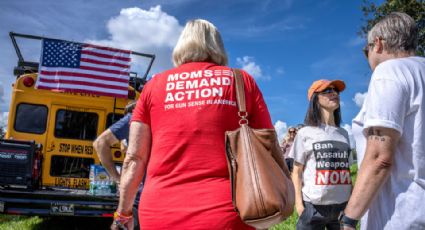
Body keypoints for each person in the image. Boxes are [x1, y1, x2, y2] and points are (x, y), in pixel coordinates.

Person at [112, 19, 273, 230]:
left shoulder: (153, 87)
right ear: (217, 45)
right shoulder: (241, 81)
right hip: (228, 212)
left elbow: (135, 158)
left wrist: (123, 214)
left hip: (160, 212)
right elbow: (267, 145)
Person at [341, 12, 425, 230]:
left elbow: (380, 157)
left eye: (365, 50)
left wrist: (349, 218)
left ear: (377, 44)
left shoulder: (389, 71)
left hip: (403, 213)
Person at [289, 79, 353, 230]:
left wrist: (351, 201)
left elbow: (348, 171)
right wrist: (299, 204)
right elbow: (296, 172)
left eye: (335, 91)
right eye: (327, 91)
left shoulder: (344, 134)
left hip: (341, 207)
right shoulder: (305, 133)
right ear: (315, 98)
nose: (334, 94)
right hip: (313, 206)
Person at [93, 102, 143, 229]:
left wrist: (117, 179)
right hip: (150, 192)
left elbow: (100, 143)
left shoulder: (134, 119)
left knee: (122, 223)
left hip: (134, 192)